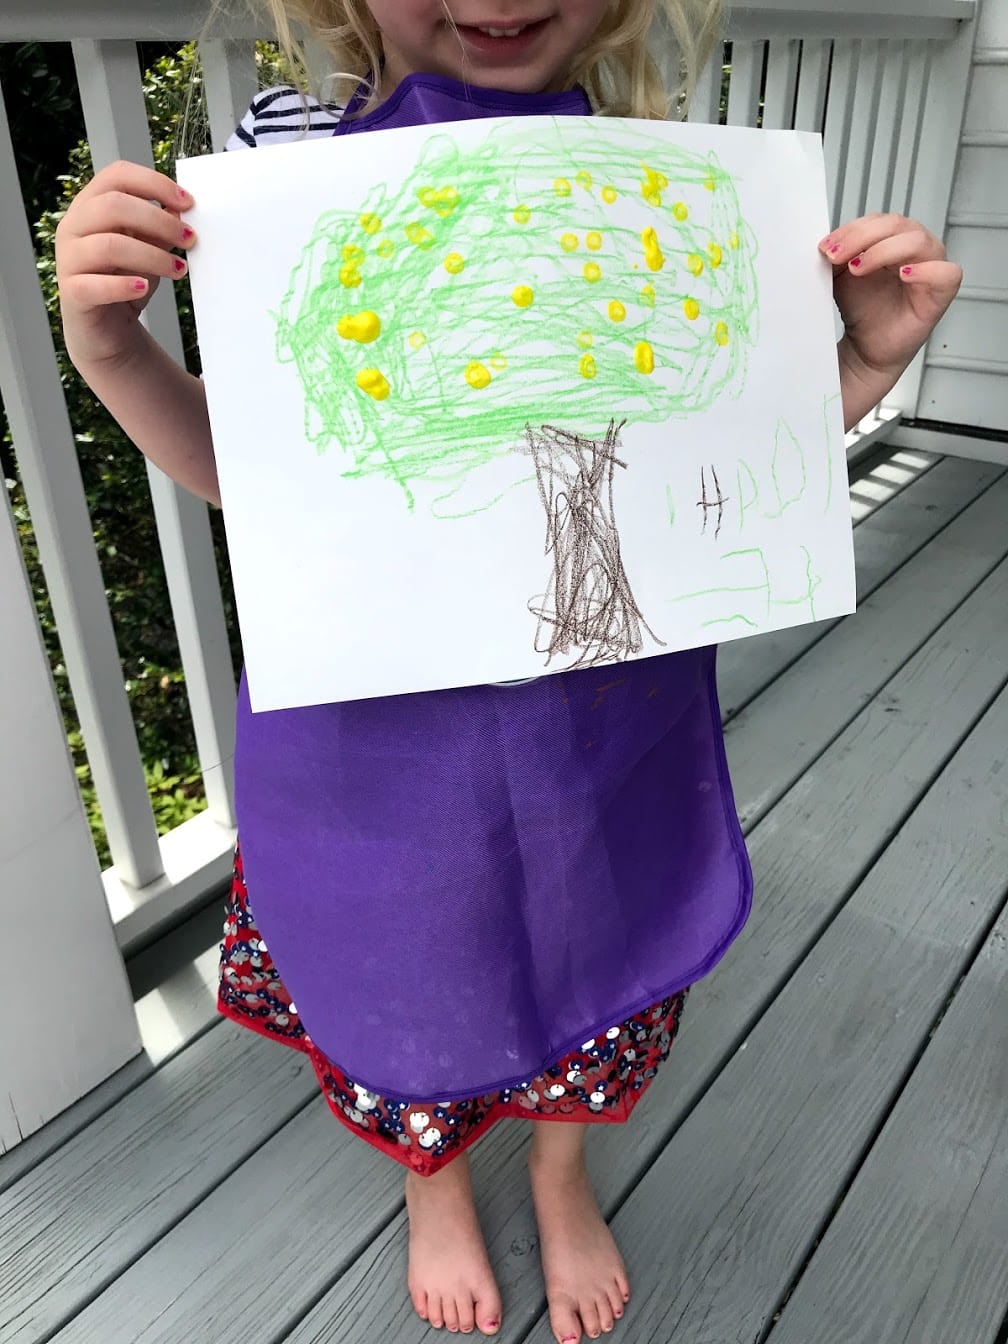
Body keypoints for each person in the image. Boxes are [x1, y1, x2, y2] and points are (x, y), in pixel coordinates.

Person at [54, 3, 963, 1340]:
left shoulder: (665, 167)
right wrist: (113, 348)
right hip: (373, 744)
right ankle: (433, 1181)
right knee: (400, 962)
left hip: (603, 726)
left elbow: (712, 465)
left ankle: (556, 1166)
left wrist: (858, 361)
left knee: (598, 948)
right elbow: (258, 477)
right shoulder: (279, 158)